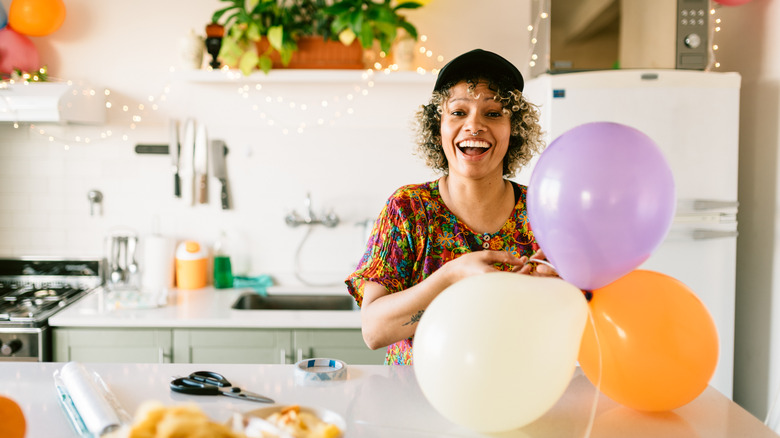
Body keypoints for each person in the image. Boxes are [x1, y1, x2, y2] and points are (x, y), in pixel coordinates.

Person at [345, 49, 556, 365]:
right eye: (458, 112)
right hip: (412, 406)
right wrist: (451, 277)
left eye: (494, 113)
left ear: (515, 130)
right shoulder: (409, 210)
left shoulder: (544, 211)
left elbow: (570, 322)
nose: (474, 125)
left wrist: (556, 294)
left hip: (513, 402)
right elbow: (374, 332)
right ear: (437, 127)